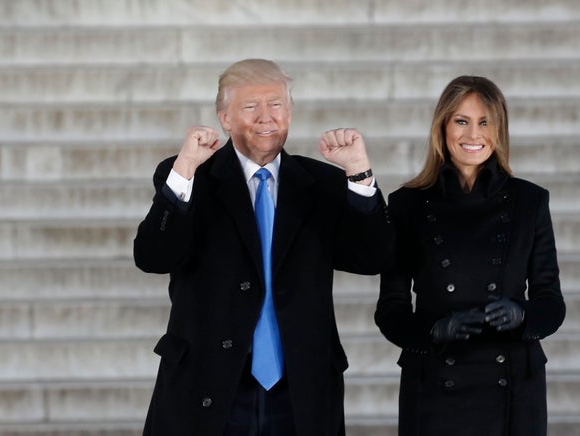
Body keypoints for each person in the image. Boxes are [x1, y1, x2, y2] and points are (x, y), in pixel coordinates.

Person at [134, 58, 394, 436]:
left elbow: (375, 257)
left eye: (275, 104)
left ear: (289, 112)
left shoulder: (322, 183)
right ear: (224, 118)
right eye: (250, 106)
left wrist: (359, 173)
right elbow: (153, 256)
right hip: (209, 383)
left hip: (301, 390)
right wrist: (185, 166)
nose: (265, 117)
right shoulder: (190, 177)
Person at [374, 75, 565, 436]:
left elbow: (551, 302)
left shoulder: (530, 201)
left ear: (499, 129)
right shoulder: (407, 205)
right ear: (443, 126)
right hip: (433, 385)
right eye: (461, 121)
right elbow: (390, 310)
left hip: (512, 385)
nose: (472, 135)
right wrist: (433, 331)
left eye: (484, 122)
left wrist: (522, 315)